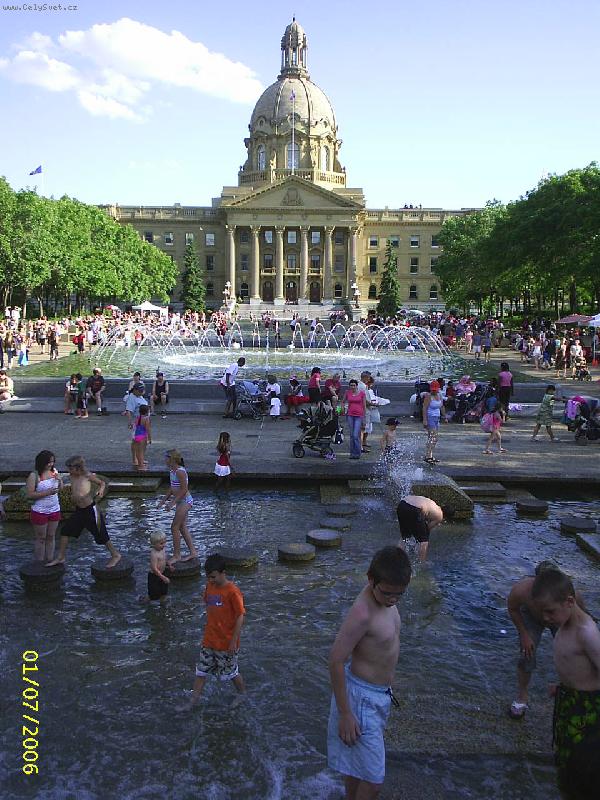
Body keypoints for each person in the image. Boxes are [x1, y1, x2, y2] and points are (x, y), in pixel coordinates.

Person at [327, 546, 411, 800]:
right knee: (374, 781)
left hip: (378, 695)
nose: (393, 599)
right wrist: (345, 714)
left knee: (357, 766)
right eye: (387, 593)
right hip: (360, 701)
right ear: (370, 579)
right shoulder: (363, 613)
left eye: (399, 594)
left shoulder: (386, 596)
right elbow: (335, 660)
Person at [531, 568, 600, 797]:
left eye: (549, 611)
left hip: (586, 710)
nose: (545, 618)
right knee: (564, 755)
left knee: (581, 764)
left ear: (569, 602)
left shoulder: (587, 633)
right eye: (542, 612)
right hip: (570, 700)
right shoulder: (565, 622)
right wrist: (563, 686)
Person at [184, 553, 246, 709]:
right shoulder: (210, 586)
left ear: (223, 573)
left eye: (213, 577)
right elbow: (207, 603)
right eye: (208, 577)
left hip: (226, 642)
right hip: (209, 639)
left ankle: (242, 693)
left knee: (231, 672)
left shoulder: (233, 591)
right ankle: (193, 701)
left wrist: (233, 641)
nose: (210, 580)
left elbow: (240, 616)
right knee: (201, 671)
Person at [46, 456, 121, 568]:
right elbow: (64, 482)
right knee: (65, 531)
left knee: (101, 534)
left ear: (78, 468)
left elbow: (102, 483)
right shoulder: (72, 476)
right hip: (79, 511)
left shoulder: (87, 476)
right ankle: (61, 557)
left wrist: (100, 491)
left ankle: (115, 555)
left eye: (70, 469)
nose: (68, 471)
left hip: (90, 509)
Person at [160, 449, 197, 566]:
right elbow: (172, 488)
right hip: (180, 501)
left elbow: (184, 489)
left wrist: (172, 503)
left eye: (166, 458)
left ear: (172, 459)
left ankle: (177, 555)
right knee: (181, 527)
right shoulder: (172, 471)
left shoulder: (180, 472)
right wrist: (163, 500)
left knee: (174, 527)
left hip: (185, 501)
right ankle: (193, 552)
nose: (164, 460)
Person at [26, 450, 63, 562]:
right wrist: (47, 493)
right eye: (48, 462)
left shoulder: (54, 472)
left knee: (51, 536)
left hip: (55, 509)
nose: (51, 464)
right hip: (40, 511)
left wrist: (60, 480)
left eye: (52, 462)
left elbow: (61, 488)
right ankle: (40, 562)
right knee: (41, 538)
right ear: (42, 462)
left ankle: (50, 559)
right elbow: (30, 494)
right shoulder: (34, 476)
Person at [396, 495, 444, 562]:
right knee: (424, 541)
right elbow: (427, 529)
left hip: (402, 504)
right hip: (415, 508)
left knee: (404, 537)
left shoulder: (433, 504)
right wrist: (419, 536)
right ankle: (422, 564)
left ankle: (396, 559)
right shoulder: (440, 515)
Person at [142, 530, 170, 605]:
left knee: (164, 591)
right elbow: (154, 568)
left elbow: (164, 559)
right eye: (161, 544)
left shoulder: (162, 549)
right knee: (153, 594)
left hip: (163, 572)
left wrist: (169, 565)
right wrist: (163, 577)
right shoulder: (154, 554)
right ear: (154, 544)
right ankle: (144, 601)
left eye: (164, 542)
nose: (164, 545)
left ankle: (163, 603)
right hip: (154, 576)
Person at [422, 380, 446, 464]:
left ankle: (430, 455)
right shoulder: (428, 396)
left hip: (437, 418)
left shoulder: (440, 395)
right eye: (433, 389)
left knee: (432, 438)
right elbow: (424, 408)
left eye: (435, 389)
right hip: (430, 417)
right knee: (434, 437)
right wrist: (425, 420)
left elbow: (442, 406)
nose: (434, 391)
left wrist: (445, 416)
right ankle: (428, 456)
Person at [344, 378, 367, 460]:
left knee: (355, 435)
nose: (352, 387)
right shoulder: (347, 393)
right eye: (351, 385)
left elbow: (364, 406)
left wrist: (364, 418)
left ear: (357, 386)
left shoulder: (362, 394)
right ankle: (352, 453)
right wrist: (341, 409)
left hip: (359, 416)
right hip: (350, 415)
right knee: (351, 435)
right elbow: (343, 401)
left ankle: (357, 452)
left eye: (354, 385)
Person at [125, 384, 147, 464]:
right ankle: (135, 459)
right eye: (140, 391)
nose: (142, 392)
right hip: (138, 423)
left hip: (144, 422)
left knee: (143, 441)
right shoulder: (132, 398)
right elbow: (128, 411)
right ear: (135, 390)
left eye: (142, 391)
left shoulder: (140, 396)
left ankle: (141, 458)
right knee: (137, 441)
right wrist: (130, 422)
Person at [132, 404, 152, 471]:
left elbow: (135, 426)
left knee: (138, 451)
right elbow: (148, 429)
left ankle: (140, 463)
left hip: (136, 435)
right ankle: (141, 466)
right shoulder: (146, 419)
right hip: (143, 436)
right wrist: (150, 438)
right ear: (147, 412)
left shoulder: (138, 417)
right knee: (141, 451)